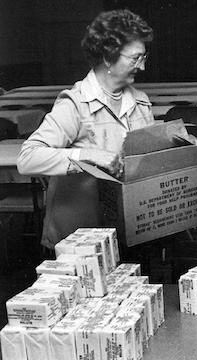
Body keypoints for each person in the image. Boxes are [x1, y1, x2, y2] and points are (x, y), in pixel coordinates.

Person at [17, 9, 155, 249]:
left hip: (128, 235)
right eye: (135, 58)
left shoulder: (141, 103)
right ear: (108, 57)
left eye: (143, 57)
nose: (141, 67)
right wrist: (87, 155)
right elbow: (27, 158)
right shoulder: (75, 103)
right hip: (78, 239)